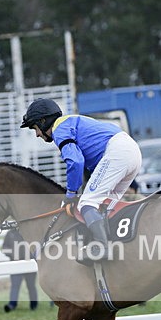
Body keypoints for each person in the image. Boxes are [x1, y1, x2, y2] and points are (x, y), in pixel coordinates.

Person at [20, 98, 142, 261]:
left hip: (118, 152)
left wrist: (70, 194)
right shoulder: (71, 122)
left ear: (43, 121)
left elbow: (76, 162)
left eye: (35, 128)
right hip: (131, 151)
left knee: (87, 203)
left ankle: (103, 248)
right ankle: (116, 244)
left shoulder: (59, 129)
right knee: (105, 205)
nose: (37, 134)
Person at [1, 228, 38, 313]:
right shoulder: (10, 233)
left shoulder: (29, 231)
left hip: (29, 263)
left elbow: (36, 247)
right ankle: (12, 305)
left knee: (31, 285)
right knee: (15, 285)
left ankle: (34, 305)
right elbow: (4, 248)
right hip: (15, 264)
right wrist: (13, 255)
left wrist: (31, 256)